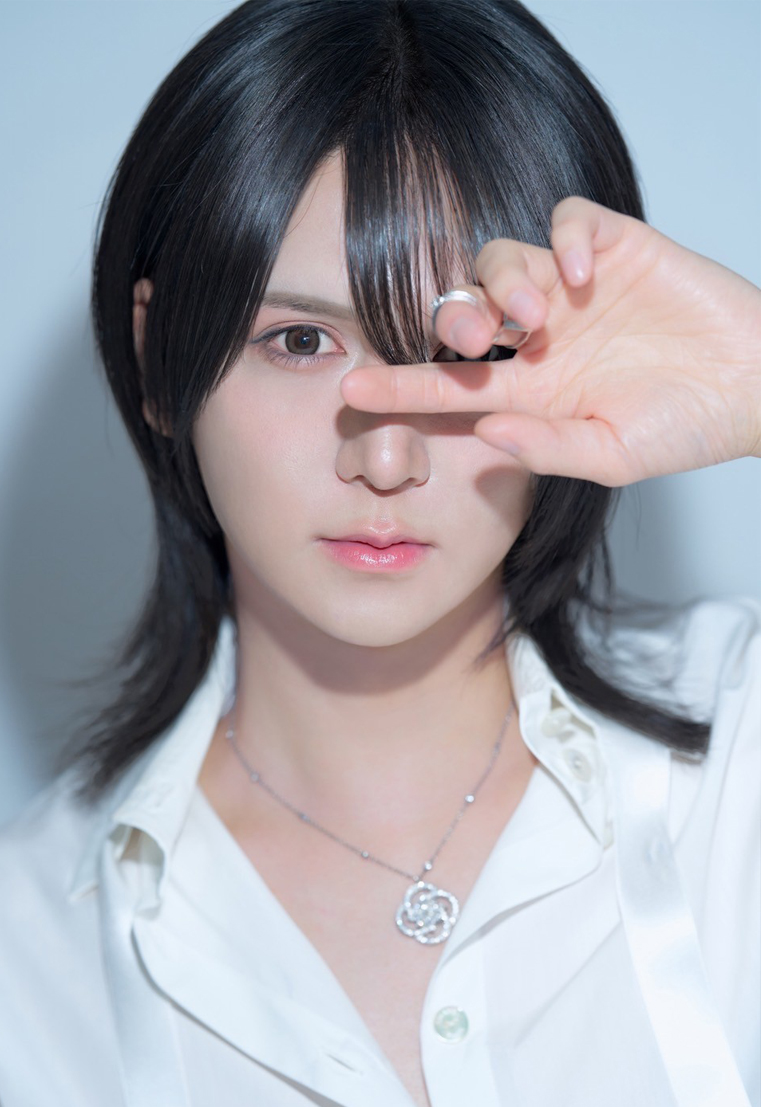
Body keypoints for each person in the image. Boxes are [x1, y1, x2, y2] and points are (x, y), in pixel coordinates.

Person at [0, 1, 758, 1105]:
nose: (387, 457)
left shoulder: (737, 748)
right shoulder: (30, 959)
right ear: (161, 360)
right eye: (300, 341)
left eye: (464, 352)